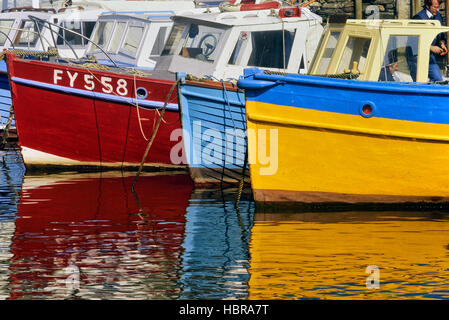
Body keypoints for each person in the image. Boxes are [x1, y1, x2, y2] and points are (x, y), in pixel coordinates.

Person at [411, 0, 447, 81]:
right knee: (418, 81)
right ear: (427, 6)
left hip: (429, 55)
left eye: (438, 7)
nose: (437, 10)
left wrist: (442, 43)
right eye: (435, 7)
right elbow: (413, 40)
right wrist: (431, 48)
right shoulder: (418, 18)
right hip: (415, 56)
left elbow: (440, 34)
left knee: (437, 79)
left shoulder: (438, 16)